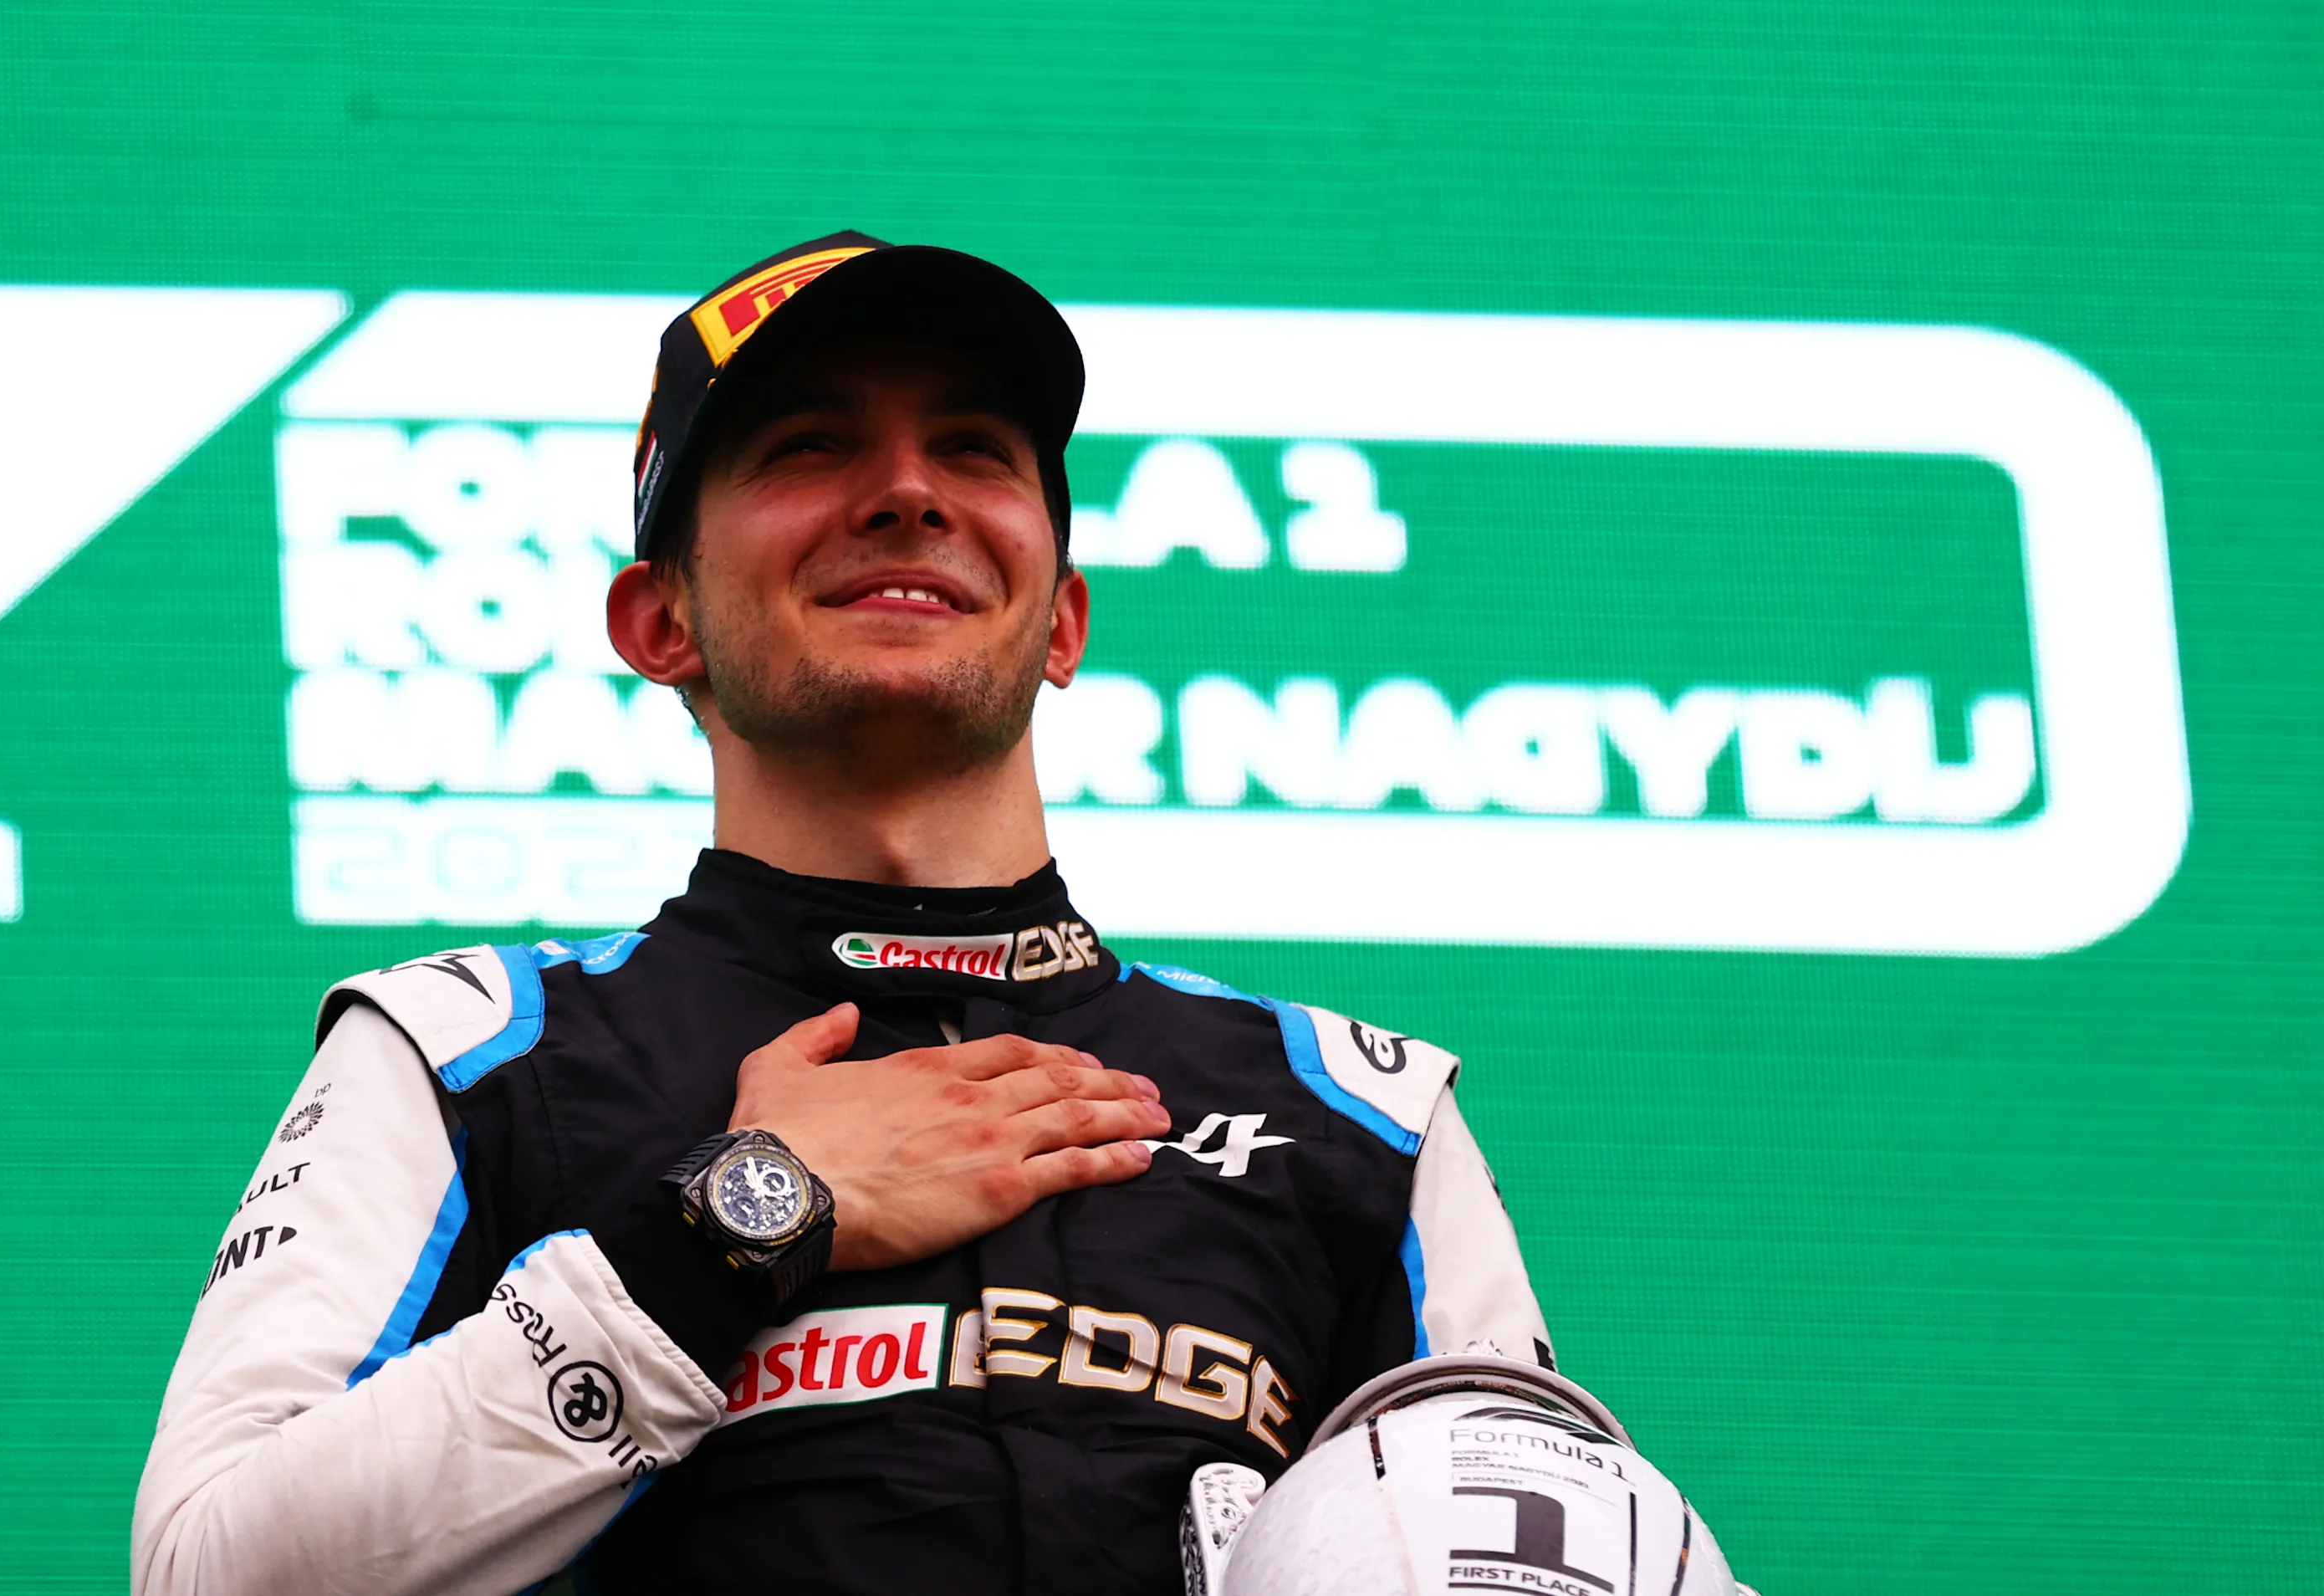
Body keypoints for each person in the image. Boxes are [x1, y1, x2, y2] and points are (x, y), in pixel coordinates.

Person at [132, 233, 1555, 1596]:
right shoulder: (473, 1057)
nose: (907, 494)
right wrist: (734, 1227)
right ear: (660, 621)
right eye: (809, 447)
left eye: (976, 453)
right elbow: (205, 1568)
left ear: (1061, 620)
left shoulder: (1362, 1121)